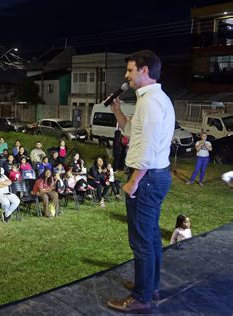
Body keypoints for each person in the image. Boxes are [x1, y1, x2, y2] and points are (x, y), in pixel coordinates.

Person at [107, 50, 174, 313]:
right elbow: (134, 133)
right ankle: (150, 286)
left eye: (130, 70)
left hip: (145, 179)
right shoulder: (155, 99)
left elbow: (146, 147)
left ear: (144, 71)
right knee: (151, 237)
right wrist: (118, 112)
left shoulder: (149, 102)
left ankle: (142, 296)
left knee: (141, 241)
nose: (127, 76)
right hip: (155, 177)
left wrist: (134, 180)